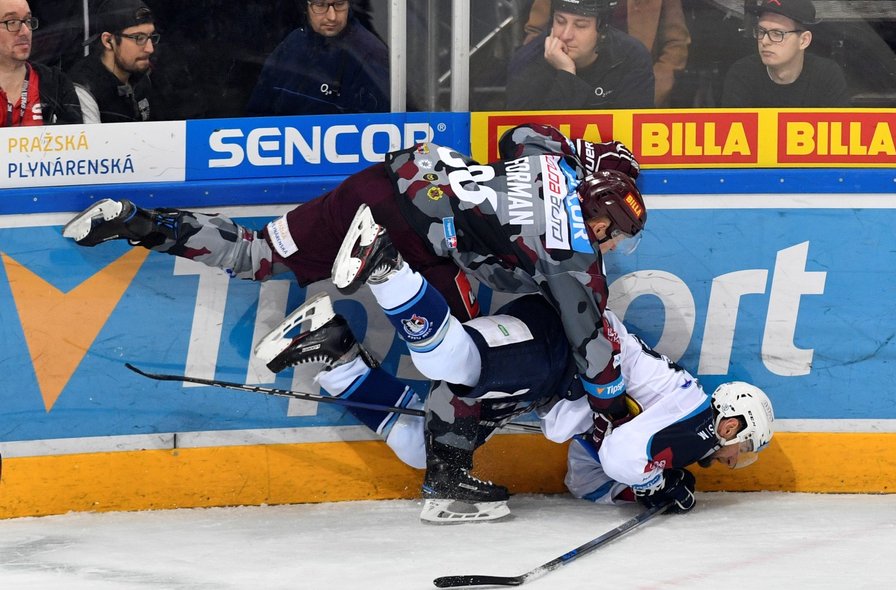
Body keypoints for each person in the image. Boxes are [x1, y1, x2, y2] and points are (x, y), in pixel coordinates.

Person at [61, 123, 646, 464]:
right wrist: (614, 410)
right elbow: (592, 345)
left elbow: (520, 134)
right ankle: (383, 278)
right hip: (428, 238)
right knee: (464, 365)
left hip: (398, 177)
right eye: (610, 228)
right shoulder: (574, 252)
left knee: (258, 252)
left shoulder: (548, 156)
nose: (608, 242)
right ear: (595, 205)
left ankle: (134, 222)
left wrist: (573, 156)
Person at [251, 281, 774, 522]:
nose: (735, 458)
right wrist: (656, 480)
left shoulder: (664, 420)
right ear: (732, 422)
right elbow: (624, 457)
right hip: (561, 344)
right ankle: (392, 273)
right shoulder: (693, 411)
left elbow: (587, 479)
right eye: (742, 443)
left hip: (544, 386)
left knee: (422, 450)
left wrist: (640, 491)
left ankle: (337, 355)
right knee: (452, 360)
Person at [521, 0, 690, 108]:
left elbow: (675, 45)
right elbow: (535, 35)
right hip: (565, 77)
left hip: (632, 83)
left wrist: (647, 90)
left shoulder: (634, 57)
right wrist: (554, 79)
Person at [244, 0, 389, 116]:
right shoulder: (292, 44)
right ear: (306, 6)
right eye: (320, 5)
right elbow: (257, 113)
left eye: (339, 4)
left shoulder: (369, 55)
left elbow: (375, 131)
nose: (332, 16)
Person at [720, 0, 850, 108]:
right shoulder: (742, 74)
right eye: (761, 31)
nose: (764, 41)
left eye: (777, 34)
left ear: (804, 41)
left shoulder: (826, 75)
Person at [68, 0, 162, 124]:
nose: (150, 49)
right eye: (139, 38)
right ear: (108, 41)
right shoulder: (84, 89)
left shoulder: (142, 76)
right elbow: (92, 142)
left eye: (151, 37)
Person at [0, 0, 81, 126]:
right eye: (12, 22)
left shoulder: (57, 83)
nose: (25, 31)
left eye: (28, 21)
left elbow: (77, 140)